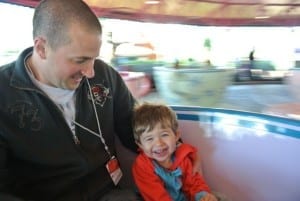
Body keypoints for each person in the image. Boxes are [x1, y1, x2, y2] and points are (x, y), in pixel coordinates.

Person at [0, 0, 141, 200]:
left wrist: (177, 151)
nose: (91, 72)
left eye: (94, 58)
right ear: (41, 49)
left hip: (109, 194)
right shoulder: (4, 93)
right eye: (80, 60)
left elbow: (138, 129)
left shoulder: (104, 76)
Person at [132, 102, 219, 201]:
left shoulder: (182, 157)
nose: (158, 143)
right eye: (149, 139)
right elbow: (157, 197)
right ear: (140, 145)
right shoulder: (143, 166)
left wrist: (202, 196)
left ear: (176, 136)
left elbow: (194, 184)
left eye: (164, 135)